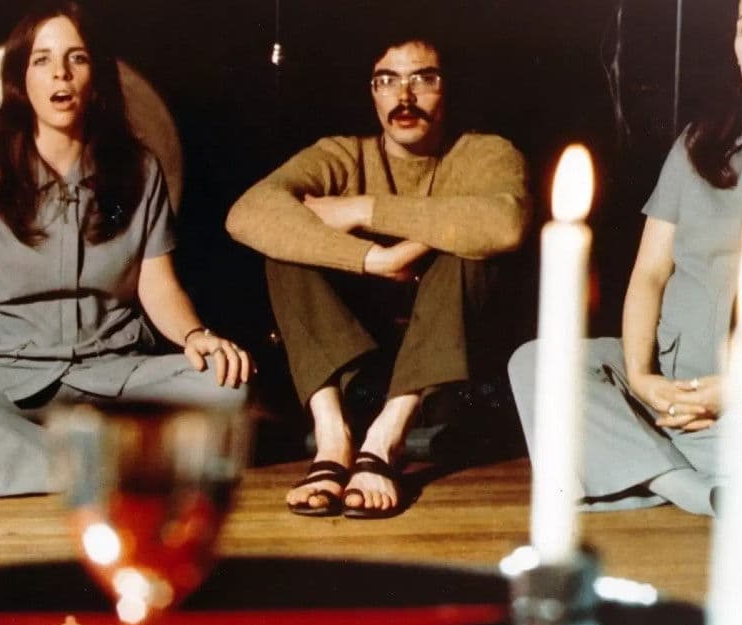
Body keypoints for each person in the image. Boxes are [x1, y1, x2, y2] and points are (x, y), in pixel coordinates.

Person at [0, 0, 251, 496]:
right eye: (42, 60)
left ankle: (12, 457)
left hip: (116, 377)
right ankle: (102, 464)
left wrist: (196, 336)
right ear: (20, 79)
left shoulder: (140, 168)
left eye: (77, 58)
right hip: (9, 381)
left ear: (96, 76)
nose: (60, 73)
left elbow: (158, 286)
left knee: (228, 383)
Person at [226, 34, 529, 518]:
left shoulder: (484, 153)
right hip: (355, 348)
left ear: (449, 87)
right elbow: (247, 213)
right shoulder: (342, 154)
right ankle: (333, 438)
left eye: (423, 79)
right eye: (386, 81)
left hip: (446, 357)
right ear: (372, 91)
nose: (403, 97)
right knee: (283, 250)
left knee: (470, 253)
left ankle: (384, 442)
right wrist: (375, 259)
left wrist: (361, 208)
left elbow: (505, 224)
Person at [509, 0, 742, 515]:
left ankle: (641, 466)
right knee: (537, 362)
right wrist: (644, 379)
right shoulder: (698, 145)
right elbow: (650, 274)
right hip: (670, 391)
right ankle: (694, 487)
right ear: (736, 48)